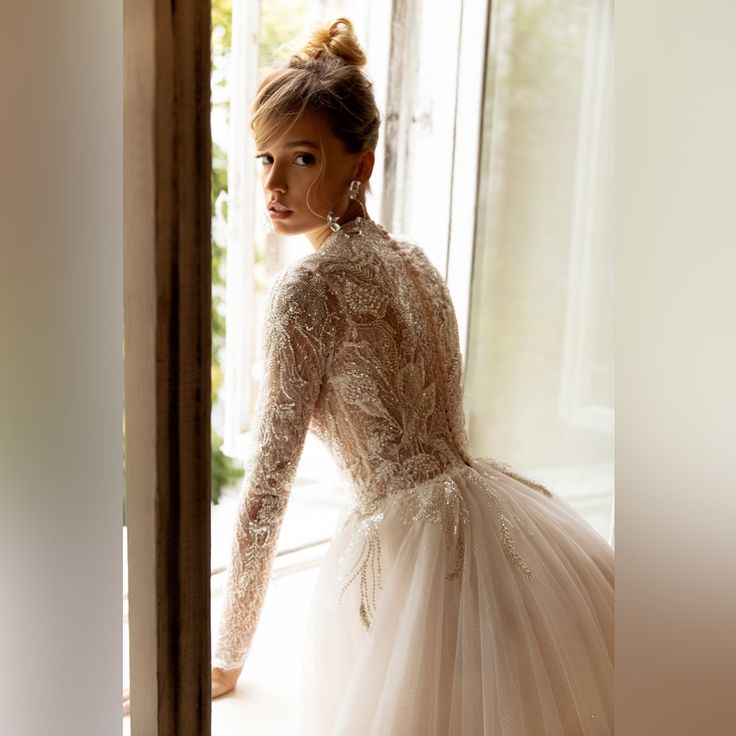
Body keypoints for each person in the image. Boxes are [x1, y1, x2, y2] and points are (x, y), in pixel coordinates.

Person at [209, 17, 614, 735]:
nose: (274, 183)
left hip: (411, 559)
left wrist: (227, 652)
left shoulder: (308, 290)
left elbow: (270, 484)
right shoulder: (419, 264)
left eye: (301, 158)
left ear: (359, 164)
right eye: (264, 157)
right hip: (492, 522)